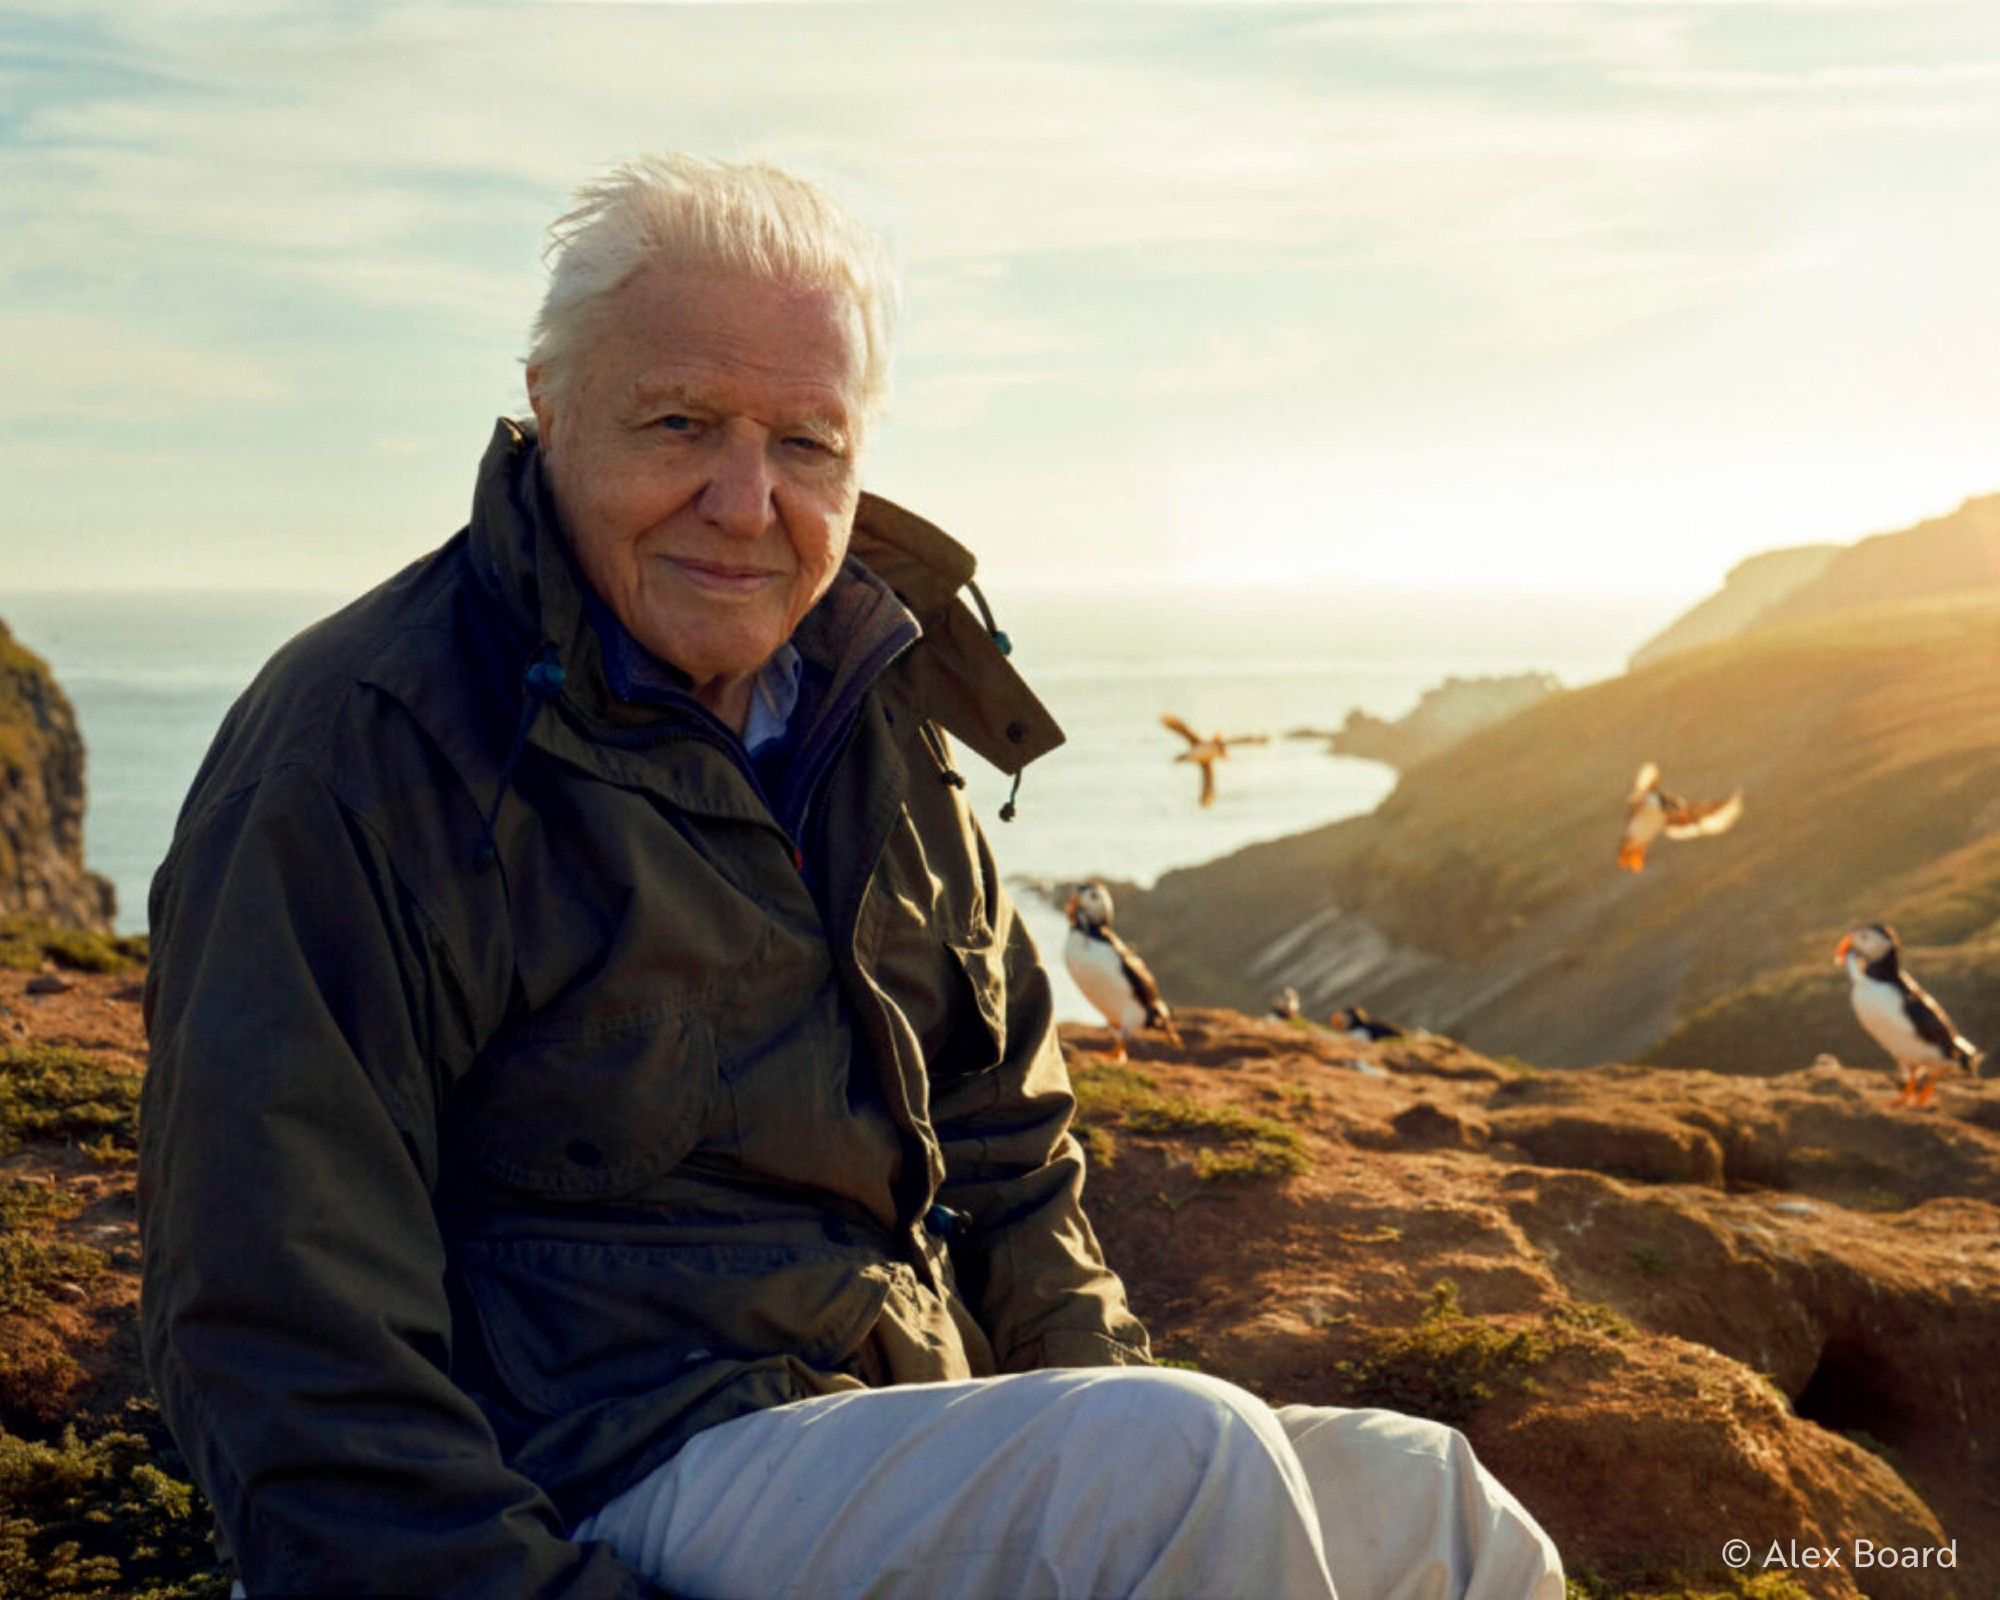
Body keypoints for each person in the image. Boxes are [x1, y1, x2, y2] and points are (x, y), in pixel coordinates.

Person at [139, 153, 1565, 1600]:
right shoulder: (363, 750)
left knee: (1429, 1505)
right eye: (680, 422)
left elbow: (1010, 1154)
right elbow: (275, 1319)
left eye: (806, 443)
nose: (746, 500)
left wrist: (1083, 1416)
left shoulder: (875, 716)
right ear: (548, 403)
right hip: (592, 1475)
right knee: (1174, 1468)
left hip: (876, 1412)